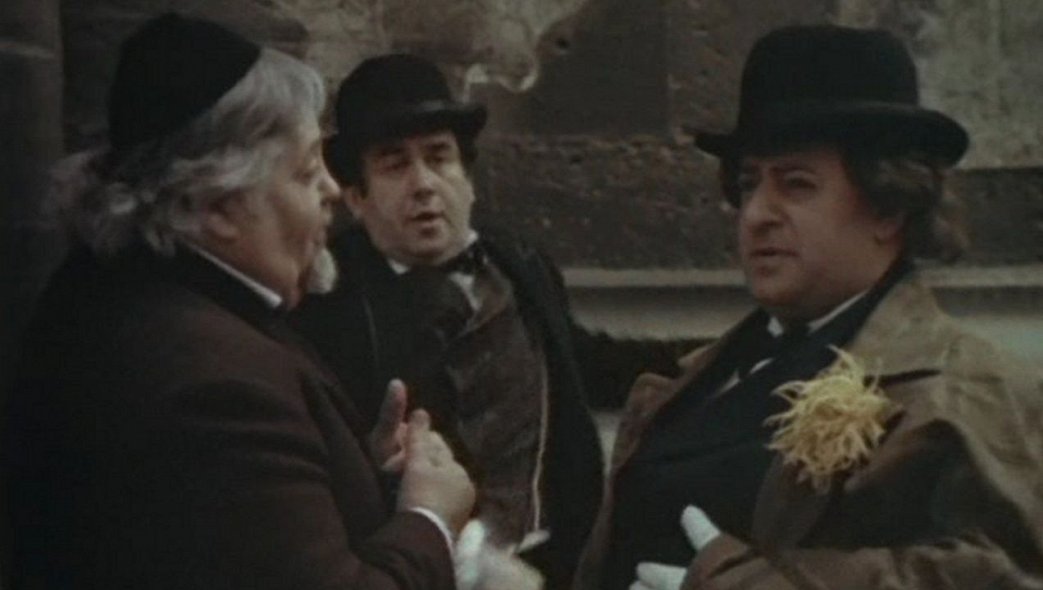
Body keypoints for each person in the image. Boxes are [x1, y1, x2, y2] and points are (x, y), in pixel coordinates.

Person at [3, 14, 475, 589]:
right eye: (306, 172)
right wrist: (429, 518)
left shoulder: (137, 292)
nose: (332, 190)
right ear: (217, 206)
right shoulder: (212, 390)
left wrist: (358, 471)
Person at [572, 24, 1043, 590]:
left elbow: (1006, 574)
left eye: (796, 184)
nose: (756, 214)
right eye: (749, 184)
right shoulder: (698, 376)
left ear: (889, 207)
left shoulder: (967, 387)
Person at [293, 53, 681, 588]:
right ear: (356, 197)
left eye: (439, 158)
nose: (423, 184)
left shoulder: (521, 265)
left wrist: (707, 360)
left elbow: (579, 360)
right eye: (394, 165)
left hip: (556, 563)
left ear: (468, 177)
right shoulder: (327, 305)